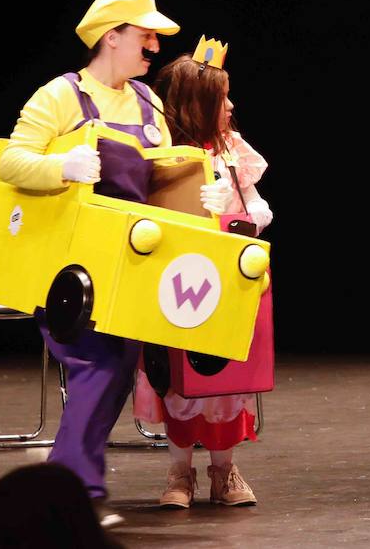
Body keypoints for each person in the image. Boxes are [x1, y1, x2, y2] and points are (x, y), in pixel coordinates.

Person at [0, 0, 179, 527]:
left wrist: (206, 186)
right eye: (144, 35)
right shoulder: (60, 95)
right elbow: (10, 162)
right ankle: (74, 492)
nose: (153, 46)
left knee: (118, 366)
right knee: (95, 362)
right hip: (68, 267)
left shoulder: (148, 101)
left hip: (128, 262)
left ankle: (68, 489)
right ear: (111, 37)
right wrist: (60, 167)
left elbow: (169, 173)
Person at [134, 38, 273, 509]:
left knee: (223, 381)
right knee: (178, 379)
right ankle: (180, 471)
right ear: (197, 104)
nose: (231, 105)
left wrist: (245, 213)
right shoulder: (163, 153)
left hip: (228, 278)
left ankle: (224, 470)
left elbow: (255, 205)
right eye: (222, 97)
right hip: (179, 281)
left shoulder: (232, 149)